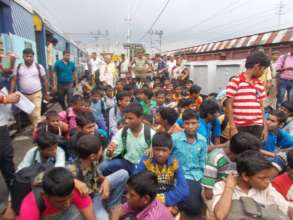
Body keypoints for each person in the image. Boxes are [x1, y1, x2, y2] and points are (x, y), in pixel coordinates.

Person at [212, 150, 293, 220]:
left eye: (268, 177)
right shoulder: (222, 186)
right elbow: (220, 215)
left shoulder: (267, 188)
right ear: (245, 176)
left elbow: (286, 207)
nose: (267, 181)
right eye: (262, 178)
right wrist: (229, 187)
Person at [201, 132, 262, 219]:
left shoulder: (241, 159)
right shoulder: (215, 158)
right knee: (216, 215)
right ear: (240, 154)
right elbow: (208, 193)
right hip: (214, 191)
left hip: (232, 189)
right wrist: (214, 203)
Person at [68, 134, 129, 219]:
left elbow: (99, 177)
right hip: (90, 199)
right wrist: (74, 181)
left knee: (123, 174)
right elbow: (54, 178)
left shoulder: (93, 161)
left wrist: (106, 181)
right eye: (101, 150)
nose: (102, 151)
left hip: (98, 189)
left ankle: (112, 206)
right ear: (92, 156)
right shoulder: (73, 169)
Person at [135, 132, 188, 211]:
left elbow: (183, 189)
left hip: (167, 195)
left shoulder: (175, 163)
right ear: (152, 149)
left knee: (185, 200)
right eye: (157, 150)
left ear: (170, 151)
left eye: (164, 150)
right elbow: (136, 182)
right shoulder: (146, 160)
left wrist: (163, 199)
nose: (160, 154)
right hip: (149, 195)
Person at [18, 167, 96, 220]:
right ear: (44, 195)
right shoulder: (30, 206)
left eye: (70, 197)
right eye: (60, 201)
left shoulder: (77, 189)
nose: (67, 204)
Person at [226, 51, 270, 139]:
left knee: (253, 150)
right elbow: (229, 105)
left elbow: (261, 107)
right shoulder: (236, 81)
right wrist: (233, 127)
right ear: (257, 66)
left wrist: (265, 127)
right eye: (263, 70)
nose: (263, 73)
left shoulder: (260, 84)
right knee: (240, 151)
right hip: (240, 126)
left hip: (257, 126)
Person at [101, 103, 155, 176]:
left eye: (130, 118)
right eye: (125, 118)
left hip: (144, 167)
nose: (126, 121)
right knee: (104, 166)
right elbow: (108, 155)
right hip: (127, 163)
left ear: (140, 118)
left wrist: (153, 150)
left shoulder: (151, 134)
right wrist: (109, 152)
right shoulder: (122, 132)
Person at [171, 109, 207, 216]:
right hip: (180, 175)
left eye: (193, 123)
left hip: (197, 176)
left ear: (198, 124)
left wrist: (204, 180)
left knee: (197, 207)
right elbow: (167, 156)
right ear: (182, 125)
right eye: (187, 123)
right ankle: (178, 204)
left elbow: (202, 162)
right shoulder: (175, 138)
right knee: (193, 208)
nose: (190, 126)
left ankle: (179, 201)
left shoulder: (202, 140)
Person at [10, 48, 49, 128]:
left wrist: (46, 93)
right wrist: (11, 92)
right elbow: (14, 80)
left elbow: (45, 80)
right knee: (30, 113)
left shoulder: (39, 67)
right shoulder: (18, 67)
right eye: (26, 56)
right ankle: (38, 126)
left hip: (36, 93)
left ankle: (38, 131)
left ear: (33, 57)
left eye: (31, 56)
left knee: (36, 113)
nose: (29, 58)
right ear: (23, 56)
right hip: (24, 96)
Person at [0, 92, 19, 191]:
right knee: (5, 156)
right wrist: (4, 99)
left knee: (6, 157)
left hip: (2, 124)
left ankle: (13, 186)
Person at [276, 43, 293, 108]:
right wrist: (287, 68)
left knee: (291, 100)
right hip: (283, 81)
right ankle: (278, 113)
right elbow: (277, 69)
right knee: (281, 98)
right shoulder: (283, 57)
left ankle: (289, 114)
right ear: (290, 48)